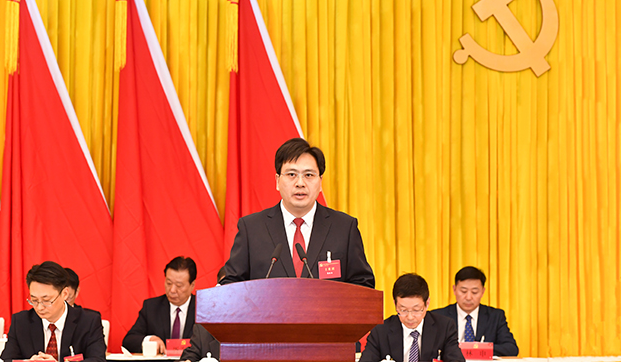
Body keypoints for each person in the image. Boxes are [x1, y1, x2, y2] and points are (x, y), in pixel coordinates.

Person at [222, 138, 375, 288]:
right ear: (277, 181)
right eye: (291, 175)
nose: (300, 183)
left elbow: (363, 285)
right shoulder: (252, 228)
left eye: (308, 175)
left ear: (320, 182)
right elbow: (230, 285)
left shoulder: (344, 228)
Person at [0, 261, 106, 362]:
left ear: (64, 294)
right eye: (34, 300)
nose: (39, 307)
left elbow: (98, 359)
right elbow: (7, 359)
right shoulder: (21, 322)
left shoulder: (89, 322)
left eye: (46, 301)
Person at [360, 273, 464, 362]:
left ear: (427, 303)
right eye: (403, 310)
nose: (410, 317)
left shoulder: (444, 327)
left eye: (416, 310)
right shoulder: (380, 331)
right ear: (395, 304)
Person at [430, 266, 519, 356]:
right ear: (454, 290)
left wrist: (478, 349)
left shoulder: (495, 316)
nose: (468, 297)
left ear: (483, 292)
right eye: (463, 291)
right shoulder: (438, 317)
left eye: (474, 292)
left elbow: (511, 349)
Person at [122, 257, 197, 354]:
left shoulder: (204, 310)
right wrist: (150, 340)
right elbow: (129, 341)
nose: (172, 290)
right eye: (169, 283)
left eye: (179, 285)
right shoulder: (151, 307)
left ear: (192, 285)